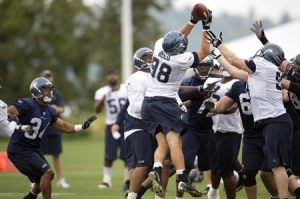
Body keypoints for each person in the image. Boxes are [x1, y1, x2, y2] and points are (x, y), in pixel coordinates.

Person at [207, 29, 293, 199]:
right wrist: (216, 54)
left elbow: (234, 61)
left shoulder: (263, 66)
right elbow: (233, 71)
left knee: (278, 166)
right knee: (266, 168)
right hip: (268, 122)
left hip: (276, 120)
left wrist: (218, 45)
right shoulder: (265, 72)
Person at [140, 7, 212, 197]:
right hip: (166, 102)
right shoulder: (181, 59)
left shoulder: (157, 46)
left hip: (148, 103)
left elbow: (175, 37)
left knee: (161, 143)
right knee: (174, 141)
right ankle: (182, 179)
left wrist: (191, 22)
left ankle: (156, 169)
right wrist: (206, 25)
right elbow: (205, 51)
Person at [6, 77, 97, 199]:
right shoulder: (26, 104)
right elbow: (10, 111)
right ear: (36, 90)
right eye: (45, 88)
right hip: (19, 149)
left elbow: (64, 126)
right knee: (47, 173)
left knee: (46, 176)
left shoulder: (50, 111)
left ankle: (30, 197)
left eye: (49, 88)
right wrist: (16, 123)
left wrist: (82, 126)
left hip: (33, 149)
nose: (49, 91)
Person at [94, 69, 129, 190]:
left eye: (114, 74)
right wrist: (102, 99)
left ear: (117, 76)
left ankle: (127, 180)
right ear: (107, 77)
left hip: (126, 124)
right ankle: (106, 180)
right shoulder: (102, 91)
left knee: (127, 154)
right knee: (109, 155)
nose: (112, 77)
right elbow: (97, 110)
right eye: (110, 75)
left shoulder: (126, 88)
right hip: (111, 125)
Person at [39, 70, 70, 188]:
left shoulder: (56, 93)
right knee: (39, 155)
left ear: (52, 78)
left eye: (49, 76)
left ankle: (60, 180)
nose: (48, 78)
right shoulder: (38, 93)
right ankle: (36, 180)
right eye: (45, 76)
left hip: (55, 127)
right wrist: (52, 108)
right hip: (42, 128)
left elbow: (61, 109)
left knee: (56, 155)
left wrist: (52, 108)